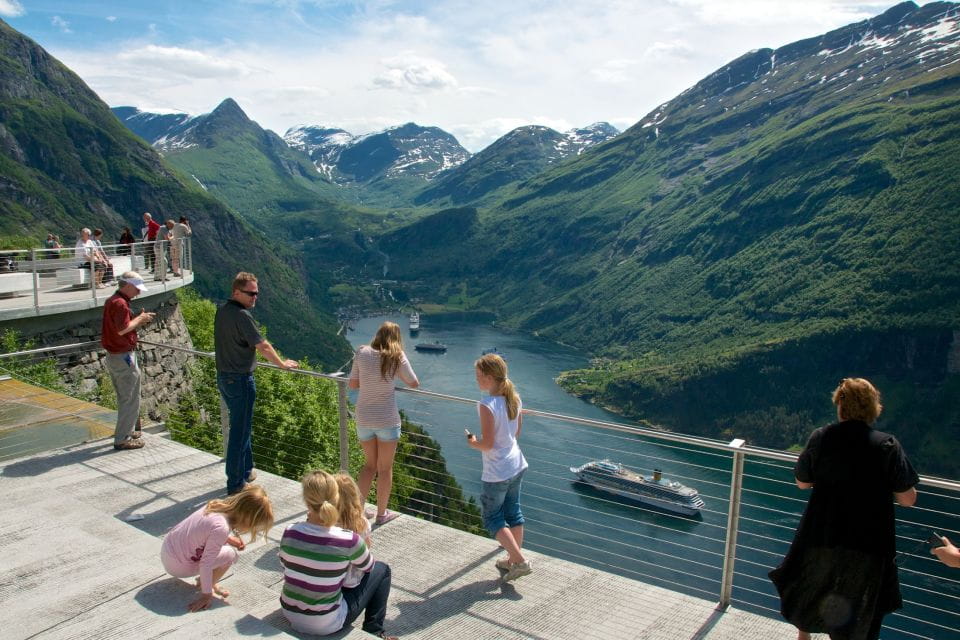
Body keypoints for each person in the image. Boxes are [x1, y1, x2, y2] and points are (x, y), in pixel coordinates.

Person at [769, 378, 919, 640]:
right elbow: (908, 499)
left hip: (822, 536)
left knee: (810, 592)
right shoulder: (887, 446)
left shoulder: (822, 438)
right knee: (859, 614)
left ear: (841, 405)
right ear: (873, 407)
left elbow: (802, 482)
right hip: (867, 546)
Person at [279, 470, 397, 639]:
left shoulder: (290, 531)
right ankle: (374, 630)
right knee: (382, 569)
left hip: (289, 612)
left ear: (307, 501)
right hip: (326, 623)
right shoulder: (349, 540)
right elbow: (368, 567)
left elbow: (285, 564)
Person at [214, 272, 298, 495]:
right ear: (236, 292)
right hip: (240, 379)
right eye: (250, 293)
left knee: (242, 426)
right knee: (239, 433)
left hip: (224, 377)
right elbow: (263, 346)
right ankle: (236, 485)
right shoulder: (242, 316)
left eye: (256, 293)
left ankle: (246, 470)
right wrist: (281, 364)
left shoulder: (222, 311)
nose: (254, 298)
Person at [467, 353, 531, 582]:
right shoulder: (515, 398)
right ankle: (514, 562)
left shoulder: (486, 405)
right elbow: (516, 433)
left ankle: (520, 561)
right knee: (514, 513)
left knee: (493, 518)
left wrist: (473, 442)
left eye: (479, 376)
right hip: (517, 463)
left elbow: (488, 444)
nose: (476, 380)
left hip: (498, 470)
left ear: (489, 377)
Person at [348, 321, 419, 525]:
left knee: (369, 466)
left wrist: (370, 380)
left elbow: (353, 384)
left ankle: (358, 513)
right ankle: (381, 514)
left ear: (378, 335)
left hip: (364, 417)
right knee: (385, 469)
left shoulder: (361, 352)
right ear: (397, 339)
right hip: (387, 419)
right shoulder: (396, 357)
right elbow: (414, 383)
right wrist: (391, 374)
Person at [161, 485, 274, 612]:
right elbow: (206, 564)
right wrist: (206, 596)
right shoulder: (221, 528)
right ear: (247, 520)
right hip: (178, 566)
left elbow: (204, 531)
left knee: (222, 545)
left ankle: (206, 580)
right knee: (231, 554)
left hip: (167, 550)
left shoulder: (214, 506)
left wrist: (228, 539)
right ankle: (207, 584)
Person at [100, 271, 155, 450]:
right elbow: (122, 330)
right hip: (123, 356)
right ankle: (123, 438)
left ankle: (128, 430)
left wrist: (135, 319)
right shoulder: (121, 304)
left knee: (125, 395)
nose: (138, 293)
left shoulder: (112, 301)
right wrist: (140, 319)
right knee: (129, 397)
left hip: (114, 355)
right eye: (137, 289)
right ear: (128, 285)